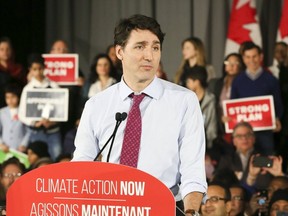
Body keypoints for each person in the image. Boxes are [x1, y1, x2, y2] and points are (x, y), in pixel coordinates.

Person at [72, 14, 207, 215]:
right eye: (140, 46)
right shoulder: (96, 105)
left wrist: (191, 212)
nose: (149, 56)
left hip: (164, 207)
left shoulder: (184, 101)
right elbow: (81, 167)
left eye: (155, 47)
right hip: (109, 207)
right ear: (119, 52)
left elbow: (193, 170)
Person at [231, 43, 283, 156]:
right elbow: (232, 106)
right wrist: (228, 118)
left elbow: (278, 105)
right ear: (243, 59)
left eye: (254, 56)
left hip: (265, 135)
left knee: (266, 166)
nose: (252, 60)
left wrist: (277, 118)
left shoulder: (271, 79)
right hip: (244, 137)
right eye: (248, 57)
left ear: (261, 57)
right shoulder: (237, 81)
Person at [18, 53, 62, 160]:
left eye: (40, 68)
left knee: (56, 160)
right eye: (34, 69)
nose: (38, 72)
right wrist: (34, 122)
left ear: (44, 68)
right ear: (30, 70)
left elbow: (61, 110)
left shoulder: (54, 86)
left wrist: (53, 121)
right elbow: (22, 114)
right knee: (36, 162)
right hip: (35, 132)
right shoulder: (28, 89)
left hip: (53, 131)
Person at [208, 53, 244, 142]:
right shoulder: (216, 83)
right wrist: (220, 117)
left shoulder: (245, 84)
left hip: (239, 126)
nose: (231, 66)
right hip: (220, 127)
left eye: (235, 63)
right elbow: (213, 105)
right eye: (228, 62)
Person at [185, 66, 217, 149]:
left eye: (189, 81)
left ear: (197, 82)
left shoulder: (211, 100)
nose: (187, 84)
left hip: (207, 145)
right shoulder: (187, 99)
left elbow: (212, 125)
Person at [0, 83, 30, 153]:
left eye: (13, 97)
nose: (10, 100)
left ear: (18, 97)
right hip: (4, 148)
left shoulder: (24, 111)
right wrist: (1, 144)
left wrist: (23, 144)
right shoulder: (1, 112)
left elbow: (29, 131)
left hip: (19, 149)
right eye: (7, 97)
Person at [0, 37, 26, 108]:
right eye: (2, 49)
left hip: (16, 106)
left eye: (8, 49)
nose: (5, 52)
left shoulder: (18, 69)